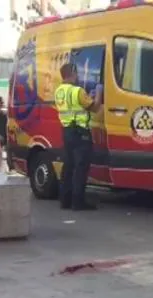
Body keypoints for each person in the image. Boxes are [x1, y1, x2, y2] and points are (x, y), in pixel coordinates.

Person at [55, 63, 103, 211]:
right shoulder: (77, 91)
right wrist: (99, 93)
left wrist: (89, 98)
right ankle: (78, 202)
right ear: (73, 73)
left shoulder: (59, 91)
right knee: (80, 168)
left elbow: (76, 105)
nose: (78, 76)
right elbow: (94, 107)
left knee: (68, 166)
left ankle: (65, 201)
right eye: (77, 74)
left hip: (67, 131)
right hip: (80, 133)